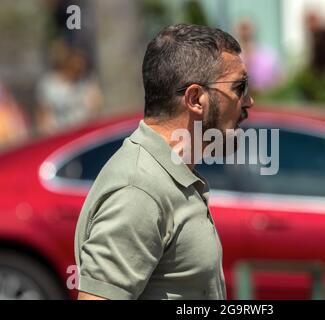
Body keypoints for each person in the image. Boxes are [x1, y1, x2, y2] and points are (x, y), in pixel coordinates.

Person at [75, 24, 253, 300]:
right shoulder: (138, 189)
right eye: (239, 87)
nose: (249, 101)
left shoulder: (170, 174)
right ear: (196, 98)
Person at [36, 41, 102, 135]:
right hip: (59, 135)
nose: (79, 66)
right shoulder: (50, 84)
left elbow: (94, 110)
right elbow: (43, 113)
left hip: (83, 133)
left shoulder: (86, 83)